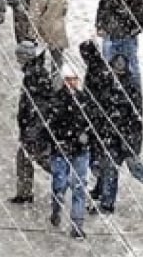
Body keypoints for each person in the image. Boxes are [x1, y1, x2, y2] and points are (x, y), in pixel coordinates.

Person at [86, 48, 143, 214]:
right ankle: (107, 203)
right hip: (114, 135)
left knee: (134, 169)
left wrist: (129, 139)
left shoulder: (129, 86)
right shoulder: (109, 83)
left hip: (125, 136)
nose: (117, 71)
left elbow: (134, 116)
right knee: (112, 168)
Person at [47, 65, 94, 239]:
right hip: (62, 149)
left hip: (79, 150)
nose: (71, 83)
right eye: (68, 79)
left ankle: (77, 224)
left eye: (74, 79)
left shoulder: (84, 100)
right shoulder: (56, 101)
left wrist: (86, 137)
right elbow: (51, 126)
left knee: (79, 187)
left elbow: (92, 124)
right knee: (60, 184)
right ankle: (56, 209)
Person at [10, 41, 55, 204]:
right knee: (25, 158)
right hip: (33, 126)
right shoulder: (33, 73)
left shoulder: (35, 76)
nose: (17, 60)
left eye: (19, 56)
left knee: (41, 159)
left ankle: (72, 181)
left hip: (35, 128)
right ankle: (24, 193)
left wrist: (33, 129)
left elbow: (41, 105)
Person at [94, 0, 143, 87]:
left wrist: (132, 31)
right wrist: (99, 26)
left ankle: (134, 94)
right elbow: (102, 8)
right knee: (108, 68)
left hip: (127, 38)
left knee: (131, 68)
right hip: (109, 36)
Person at [29, 0, 68, 64]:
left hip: (42, 32)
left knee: (38, 61)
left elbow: (34, 16)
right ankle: (56, 78)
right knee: (57, 62)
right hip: (58, 30)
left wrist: (32, 33)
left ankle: (41, 78)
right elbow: (65, 8)